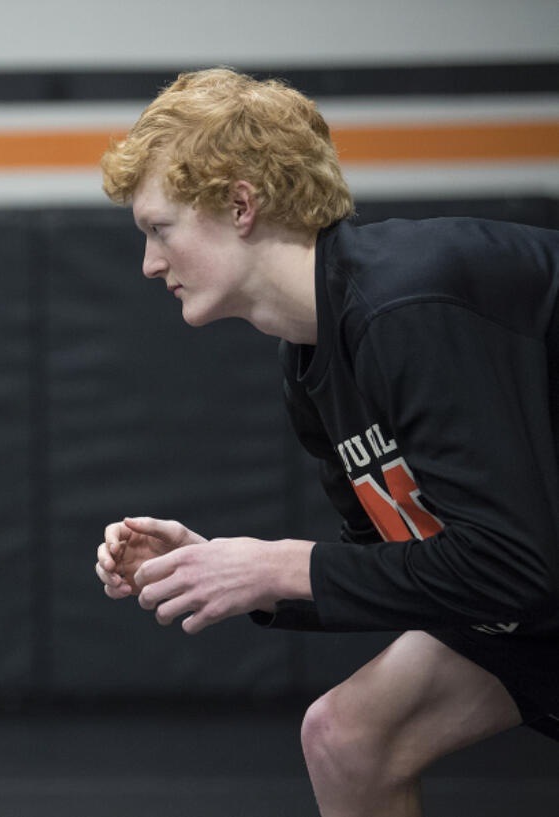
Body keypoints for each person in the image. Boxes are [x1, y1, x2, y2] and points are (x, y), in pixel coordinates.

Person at [92, 67, 559, 816]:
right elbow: (412, 569)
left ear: (240, 205)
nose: (150, 263)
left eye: (159, 228)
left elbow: (516, 565)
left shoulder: (404, 303)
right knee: (347, 736)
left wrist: (277, 564)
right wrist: (227, 567)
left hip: (533, 578)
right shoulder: (309, 356)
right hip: (530, 584)